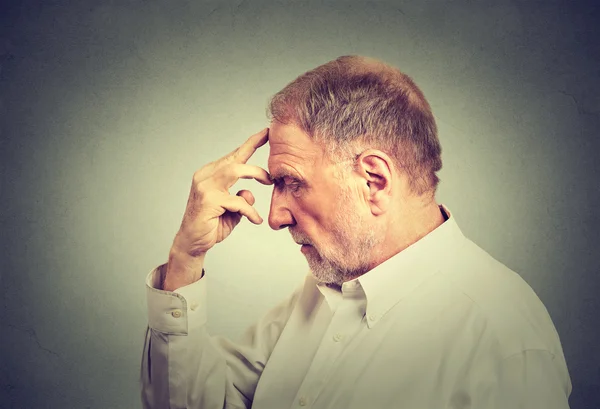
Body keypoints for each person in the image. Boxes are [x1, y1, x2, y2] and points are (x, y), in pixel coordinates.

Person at [140, 55, 572, 408]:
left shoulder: (504, 341)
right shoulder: (323, 291)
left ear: (375, 181)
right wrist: (184, 261)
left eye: (292, 181)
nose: (275, 217)